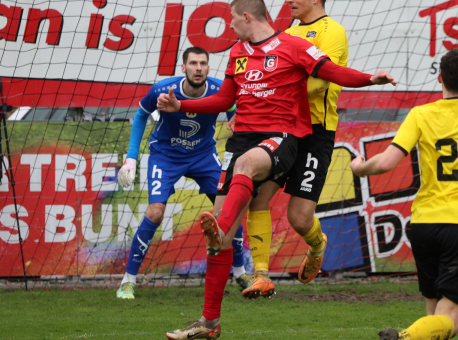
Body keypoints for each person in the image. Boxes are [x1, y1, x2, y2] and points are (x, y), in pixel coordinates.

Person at [158, 0, 396, 338]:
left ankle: (235, 237)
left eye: (230, 20)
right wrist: (183, 105)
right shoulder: (238, 53)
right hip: (241, 140)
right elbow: (225, 99)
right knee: (220, 242)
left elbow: (331, 72)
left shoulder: (294, 45)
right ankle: (210, 323)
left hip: (283, 138)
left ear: (245, 16)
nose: (229, 27)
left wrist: (369, 79)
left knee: (253, 185)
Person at [350, 48, 458, 340]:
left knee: (434, 314)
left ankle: (413, 335)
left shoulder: (421, 114)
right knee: (452, 320)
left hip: (425, 224)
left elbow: (388, 162)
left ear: (440, 78)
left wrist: (361, 167)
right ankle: (404, 337)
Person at [115, 47, 250, 300]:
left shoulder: (221, 90)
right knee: (155, 213)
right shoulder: (162, 89)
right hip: (165, 155)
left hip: (203, 155)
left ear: (208, 68)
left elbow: (235, 115)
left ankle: (240, 273)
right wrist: (131, 157)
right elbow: (141, 114)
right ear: (183, 68)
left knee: (230, 207)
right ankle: (128, 280)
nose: (198, 68)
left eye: (203, 63)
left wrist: (236, 124)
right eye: (193, 63)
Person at [240, 0, 349, 299]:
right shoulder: (288, 31)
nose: (289, 1)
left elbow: (321, 81)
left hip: (316, 132)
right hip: (283, 127)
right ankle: (260, 275)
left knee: (299, 219)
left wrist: (273, 88)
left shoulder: (333, 32)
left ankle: (317, 245)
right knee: (258, 197)